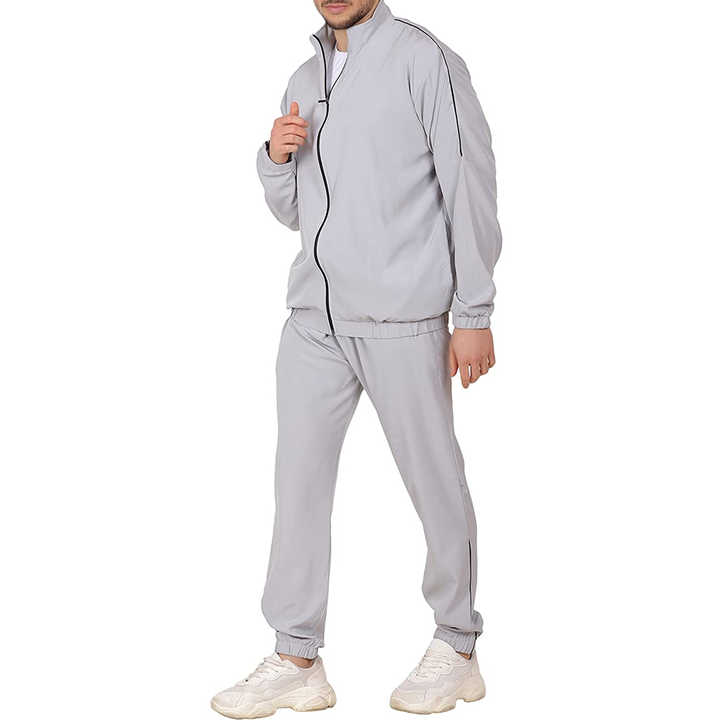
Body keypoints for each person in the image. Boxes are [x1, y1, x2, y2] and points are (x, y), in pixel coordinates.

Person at [211, 0, 501, 715]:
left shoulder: (425, 61)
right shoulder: (304, 78)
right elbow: (298, 211)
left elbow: (468, 183)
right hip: (314, 321)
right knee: (297, 487)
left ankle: (457, 643)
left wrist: (473, 312)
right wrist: (275, 159)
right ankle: (296, 655)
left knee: (434, 480)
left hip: (403, 318)